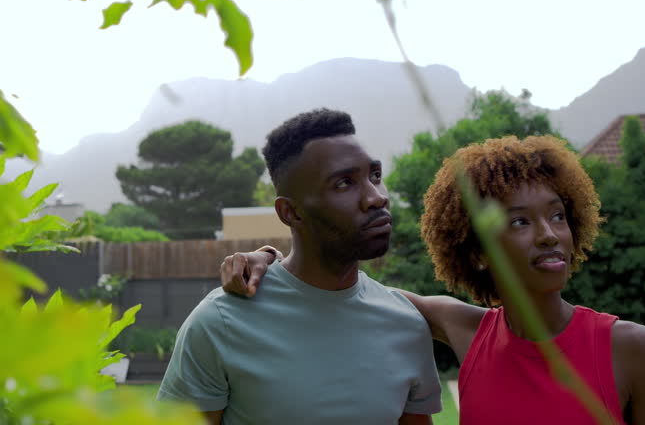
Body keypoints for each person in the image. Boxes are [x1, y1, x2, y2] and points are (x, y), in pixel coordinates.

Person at [221, 135, 645, 424]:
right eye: (519, 223)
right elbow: (336, 290)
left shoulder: (633, 349)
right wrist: (268, 257)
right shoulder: (464, 330)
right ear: (476, 253)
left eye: (557, 216)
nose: (550, 235)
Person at [158, 108, 442, 424]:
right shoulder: (221, 323)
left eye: (375, 176)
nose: (376, 198)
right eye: (344, 183)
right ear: (290, 213)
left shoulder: (406, 324)